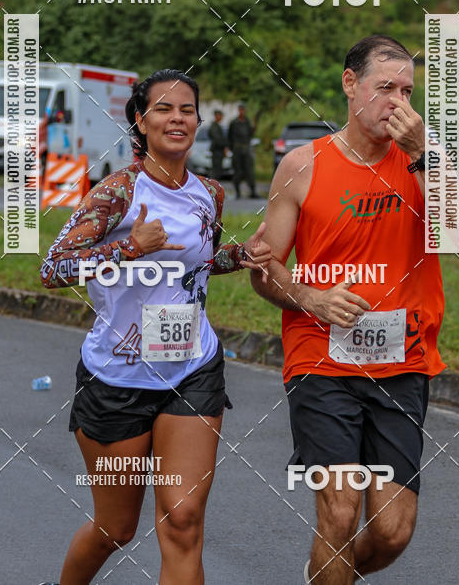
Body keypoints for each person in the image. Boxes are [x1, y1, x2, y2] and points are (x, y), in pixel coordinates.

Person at [250, 35, 459, 584]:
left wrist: (427, 154)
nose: (398, 103)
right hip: (321, 360)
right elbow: (264, 270)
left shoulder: (422, 165)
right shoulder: (302, 166)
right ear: (349, 84)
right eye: (385, 88)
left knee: (392, 533)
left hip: (402, 363)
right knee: (339, 512)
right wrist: (309, 296)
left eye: (407, 91)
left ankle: (323, 575)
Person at [40, 69, 271, 585]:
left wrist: (242, 255)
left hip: (191, 369)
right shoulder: (118, 192)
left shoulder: (209, 193)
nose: (177, 118)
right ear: (141, 122)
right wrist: (129, 247)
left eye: (186, 109)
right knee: (116, 528)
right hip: (117, 379)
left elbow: (198, 262)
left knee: (183, 521)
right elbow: (54, 268)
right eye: (164, 109)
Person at [228, 103, 257, 198]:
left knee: (249, 170)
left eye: (243, 110)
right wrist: (231, 148)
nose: (242, 111)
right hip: (237, 149)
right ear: (238, 110)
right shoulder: (234, 122)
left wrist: (253, 128)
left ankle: (253, 192)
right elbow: (230, 136)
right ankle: (237, 193)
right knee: (238, 171)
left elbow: (250, 135)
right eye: (240, 109)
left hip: (246, 149)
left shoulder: (248, 121)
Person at [208, 109, 228, 179]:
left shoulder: (217, 126)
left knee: (218, 170)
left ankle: (214, 187)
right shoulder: (214, 126)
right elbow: (217, 139)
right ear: (216, 116)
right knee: (216, 170)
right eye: (220, 116)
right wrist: (225, 146)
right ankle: (211, 187)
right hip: (217, 150)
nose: (221, 117)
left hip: (219, 150)